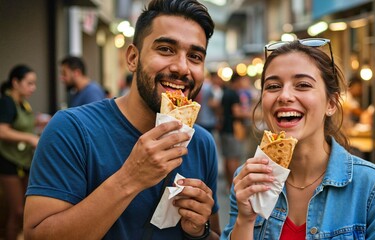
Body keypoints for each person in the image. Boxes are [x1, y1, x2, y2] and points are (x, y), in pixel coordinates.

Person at [23, 1, 220, 239]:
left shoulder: (202, 143)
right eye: (166, 49)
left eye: (195, 56)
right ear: (133, 58)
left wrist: (199, 231)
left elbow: (212, 233)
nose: (181, 67)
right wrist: (130, 179)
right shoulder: (71, 129)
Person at [221, 40, 375, 239]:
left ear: (331, 103)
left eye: (303, 85)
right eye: (273, 86)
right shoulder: (249, 180)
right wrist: (245, 220)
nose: (284, 96)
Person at [0, 65, 39, 240]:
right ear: (15, 82)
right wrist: (29, 138)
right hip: (8, 162)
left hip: (23, 162)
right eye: (29, 83)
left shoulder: (22, 103)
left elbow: (20, 123)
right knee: (16, 212)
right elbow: (3, 131)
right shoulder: (7, 102)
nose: (33, 88)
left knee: (22, 211)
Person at [219, 73, 250, 190]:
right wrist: (250, 114)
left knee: (227, 157)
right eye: (243, 80)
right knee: (233, 158)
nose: (245, 83)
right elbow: (237, 113)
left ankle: (228, 184)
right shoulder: (234, 94)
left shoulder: (226, 92)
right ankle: (234, 185)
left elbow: (221, 111)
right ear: (237, 81)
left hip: (224, 128)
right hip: (233, 129)